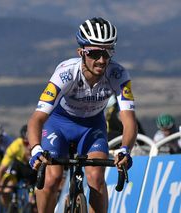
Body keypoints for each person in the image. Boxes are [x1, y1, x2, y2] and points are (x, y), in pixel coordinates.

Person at [27, 17, 138, 213]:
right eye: (95, 53)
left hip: (92, 126)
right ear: (81, 52)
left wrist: (125, 150)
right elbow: (37, 119)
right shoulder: (65, 73)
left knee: (96, 178)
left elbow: (129, 120)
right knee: (51, 179)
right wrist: (35, 149)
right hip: (59, 124)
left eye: (107, 52)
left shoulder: (118, 74)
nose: (102, 60)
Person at [0, 125, 37, 208]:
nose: (29, 147)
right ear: (22, 140)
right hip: (19, 168)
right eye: (26, 143)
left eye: (31, 143)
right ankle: (9, 209)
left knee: (34, 201)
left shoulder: (41, 146)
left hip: (35, 171)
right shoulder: (15, 146)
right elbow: (1, 169)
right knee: (6, 190)